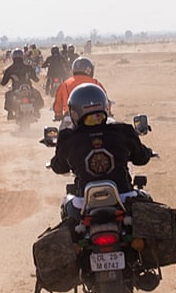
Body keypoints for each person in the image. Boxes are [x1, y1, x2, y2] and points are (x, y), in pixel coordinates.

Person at [49, 83, 152, 219]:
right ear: (105, 106)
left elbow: (59, 167)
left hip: (83, 204)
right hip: (124, 198)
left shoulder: (68, 138)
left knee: (67, 206)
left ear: (74, 112)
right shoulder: (123, 131)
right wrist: (147, 152)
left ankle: (74, 230)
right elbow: (141, 159)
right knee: (147, 202)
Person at [52, 56, 106, 121]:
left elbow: (58, 103)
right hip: (93, 116)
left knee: (64, 127)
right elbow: (105, 99)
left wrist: (58, 114)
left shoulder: (65, 84)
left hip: (71, 117)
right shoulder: (95, 83)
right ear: (89, 70)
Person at [0, 49, 41, 118]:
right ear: (22, 57)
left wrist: (2, 82)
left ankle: (10, 113)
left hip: (16, 89)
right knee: (37, 94)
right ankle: (37, 111)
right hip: (28, 89)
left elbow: (3, 82)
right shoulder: (28, 67)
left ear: (13, 57)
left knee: (8, 95)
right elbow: (36, 79)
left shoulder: (10, 69)